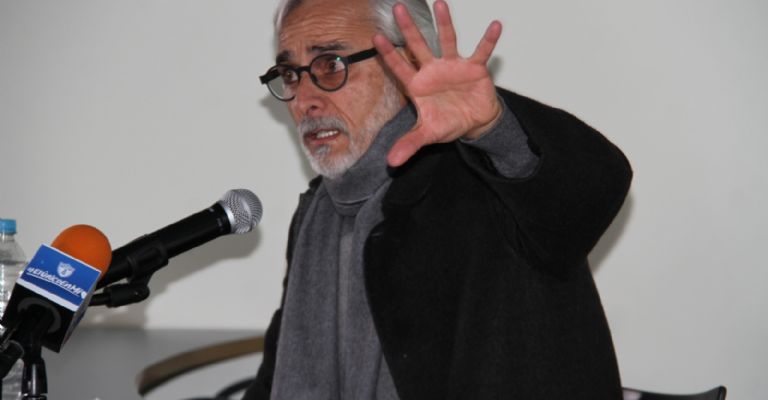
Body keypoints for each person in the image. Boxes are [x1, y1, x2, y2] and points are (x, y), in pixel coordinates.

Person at [244, 0, 632, 398]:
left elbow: (588, 194)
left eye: (330, 65)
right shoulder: (318, 213)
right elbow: (277, 373)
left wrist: (494, 127)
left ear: (409, 63)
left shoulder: (484, 179)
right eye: (290, 75)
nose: (304, 99)